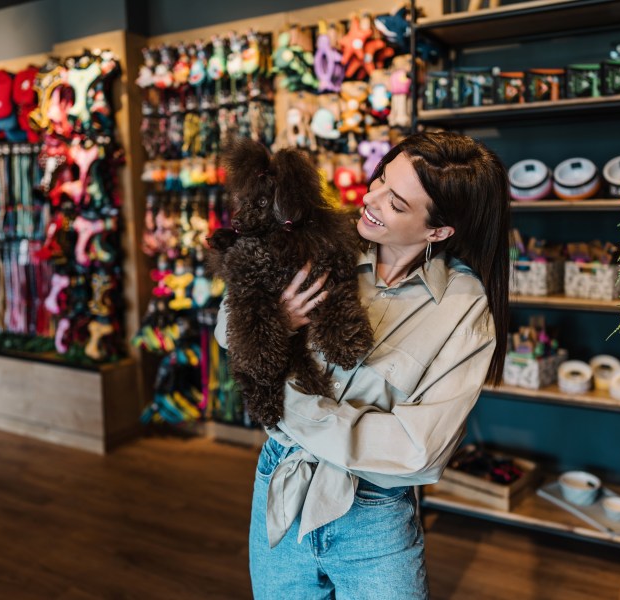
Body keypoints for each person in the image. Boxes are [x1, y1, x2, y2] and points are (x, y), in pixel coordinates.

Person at [215, 130, 511, 599]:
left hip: (373, 512)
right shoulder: (315, 239)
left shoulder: (463, 309)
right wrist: (278, 321)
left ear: (438, 231)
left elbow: (419, 451)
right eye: (379, 179)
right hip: (281, 486)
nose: (370, 200)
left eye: (396, 203)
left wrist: (288, 410)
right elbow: (227, 327)